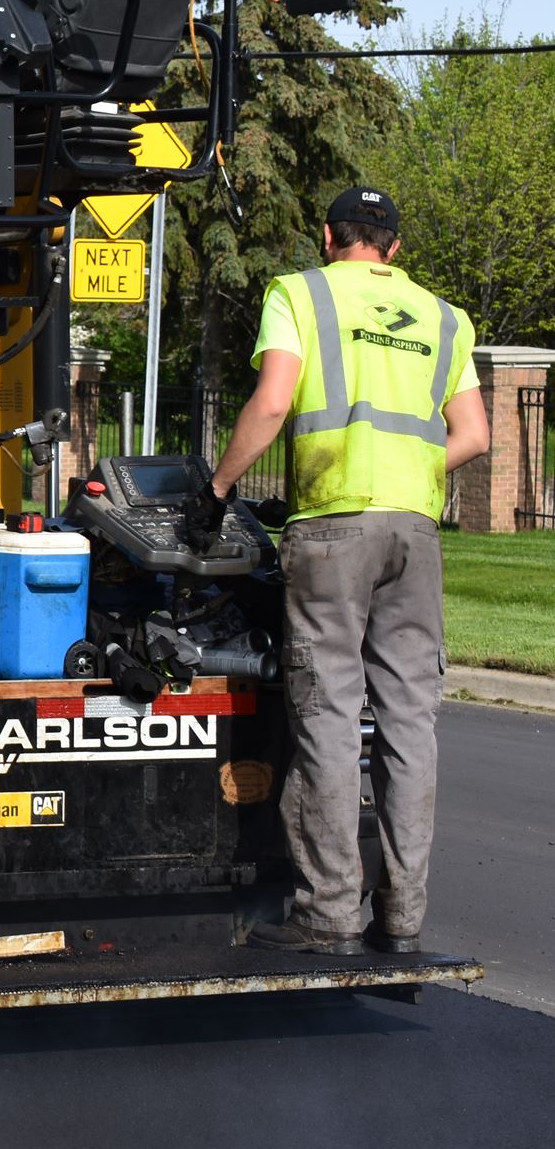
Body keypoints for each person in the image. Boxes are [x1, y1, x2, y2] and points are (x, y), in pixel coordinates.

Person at [203, 187, 487, 957]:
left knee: (328, 714)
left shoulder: (300, 294)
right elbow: (474, 433)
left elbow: (272, 403)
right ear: (394, 248)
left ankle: (327, 913)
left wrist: (219, 488)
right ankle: (402, 916)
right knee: (409, 721)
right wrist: (406, 473)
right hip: (415, 531)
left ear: (327, 236)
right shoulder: (444, 317)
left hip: (331, 528)